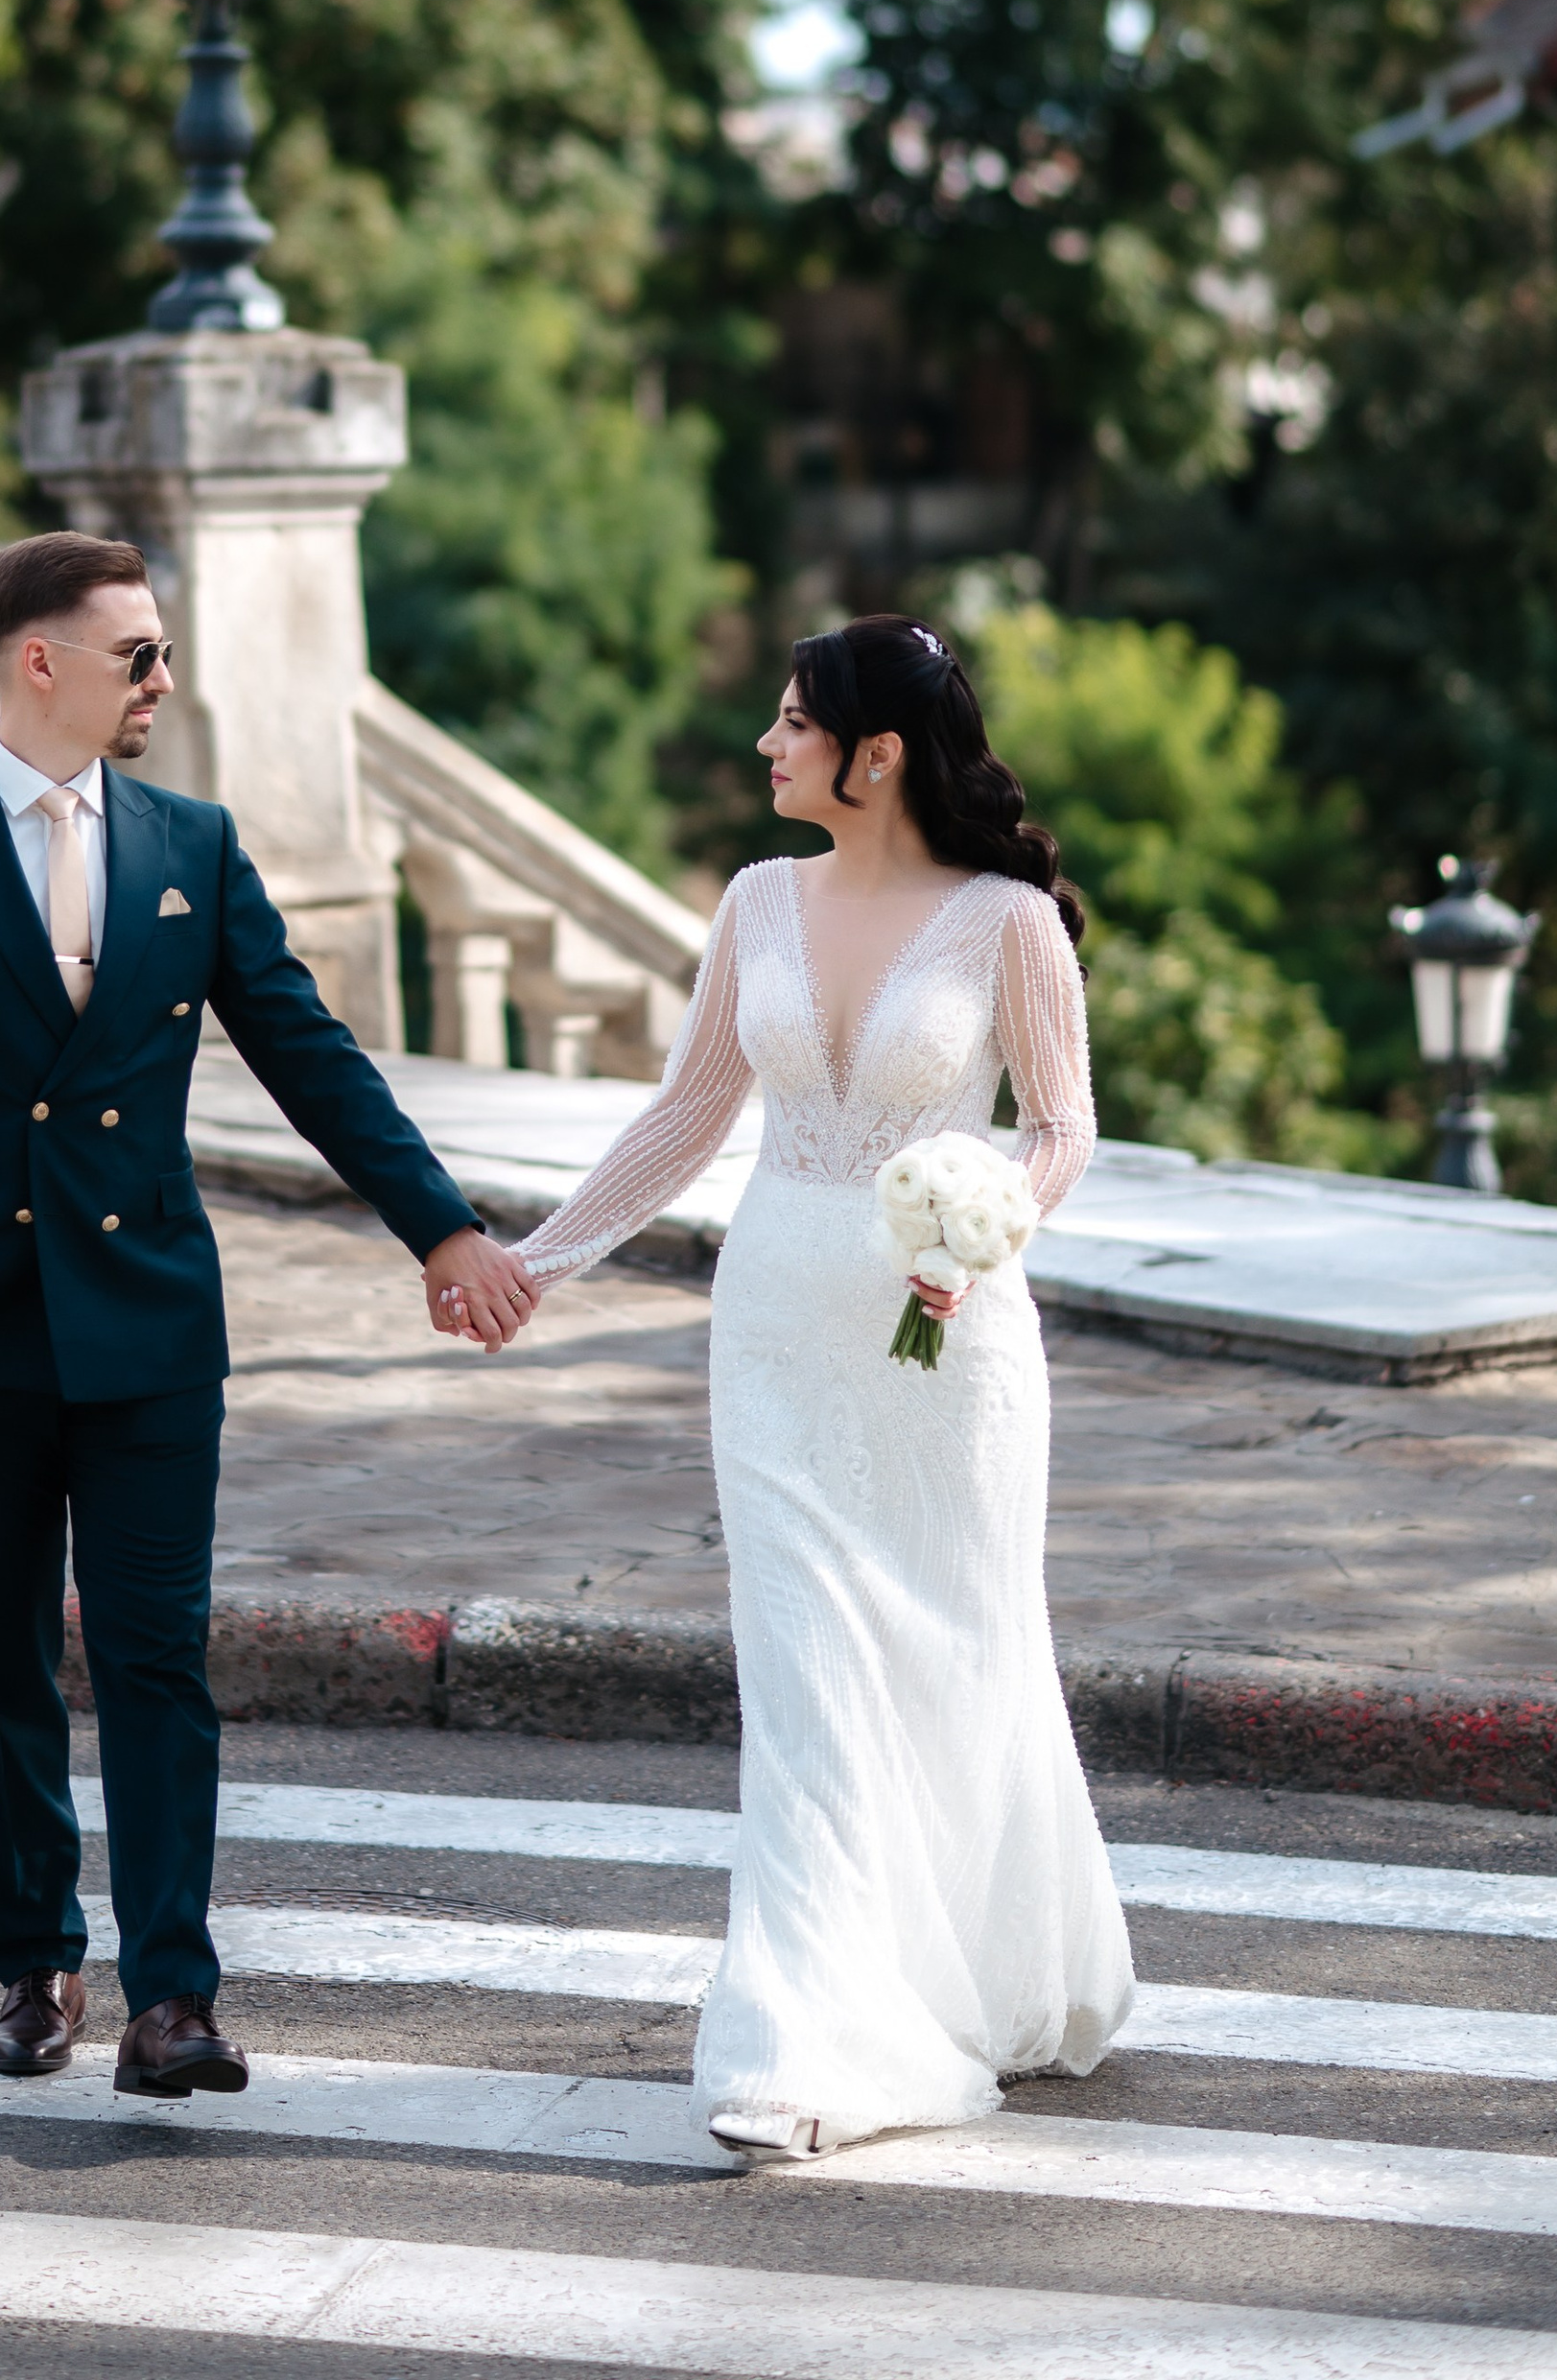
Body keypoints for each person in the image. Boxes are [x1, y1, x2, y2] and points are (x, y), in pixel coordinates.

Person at [0, 529, 536, 2096]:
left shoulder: (192, 839)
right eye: (138, 653)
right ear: (37, 662)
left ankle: (172, 2000)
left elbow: (308, 1050)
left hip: (146, 1322)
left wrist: (443, 1229)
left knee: (155, 1657)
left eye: (166, 650)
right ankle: (35, 1965)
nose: (165, 680)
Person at [510, 613, 1133, 2158]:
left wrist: (992, 1223)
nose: (767, 748)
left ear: (878, 755)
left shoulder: (1008, 925)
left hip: (948, 1345)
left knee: (954, 1654)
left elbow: (1061, 1125)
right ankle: (806, 2048)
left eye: (794, 724)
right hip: (780, 1329)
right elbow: (686, 1112)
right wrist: (541, 1260)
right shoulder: (754, 902)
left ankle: (977, 1970)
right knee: (805, 1683)